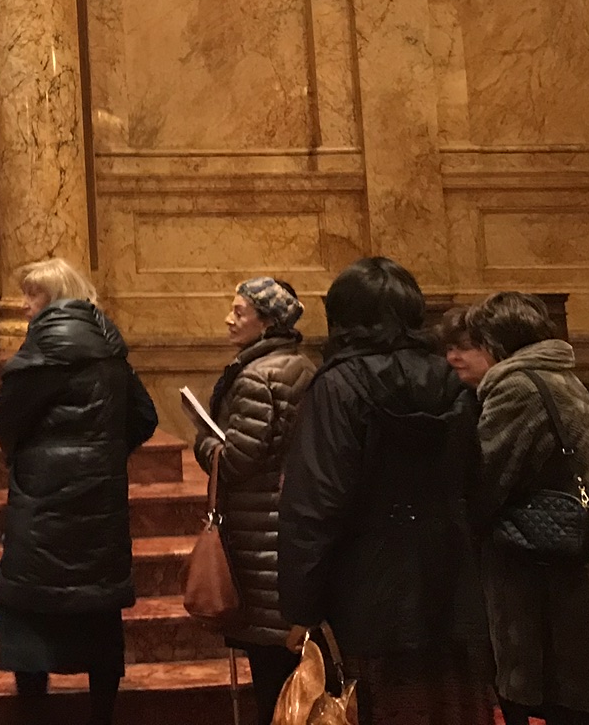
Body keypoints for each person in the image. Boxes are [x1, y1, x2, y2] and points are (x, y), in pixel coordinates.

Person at [278, 256, 488, 725]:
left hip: (366, 590)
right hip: (449, 581)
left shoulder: (337, 387)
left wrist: (300, 606)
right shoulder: (452, 381)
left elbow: (314, 505)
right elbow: (476, 485)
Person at [465, 291, 589, 725]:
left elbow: (485, 480)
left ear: (494, 343)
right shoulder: (561, 378)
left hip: (538, 569)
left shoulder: (519, 388)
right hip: (568, 559)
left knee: (552, 687)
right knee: (573, 693)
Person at [0, 257, 157, 725]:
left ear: (55, 298)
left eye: (32, 295)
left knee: (30, 614)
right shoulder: (109, 348)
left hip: (41, 507)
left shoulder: (41, 350)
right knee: (99, 619)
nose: (24, 305)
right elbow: (145, 416)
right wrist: (104, 453)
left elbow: (8, 420)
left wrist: (32, 459)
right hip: (99, 507)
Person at [192, 277, 316, 724]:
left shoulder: (256, 376)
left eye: (239, 312)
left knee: (270, 671)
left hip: (260, 531)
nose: (229, 319)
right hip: (283, 523)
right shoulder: (300, 365)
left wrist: (205, 443)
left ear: (267, 322)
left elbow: (238, 460)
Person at [439, 306, 493, 391]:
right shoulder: (453, 390)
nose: (451, 357)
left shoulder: (512, 389)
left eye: (464, 347)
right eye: (449, 349)